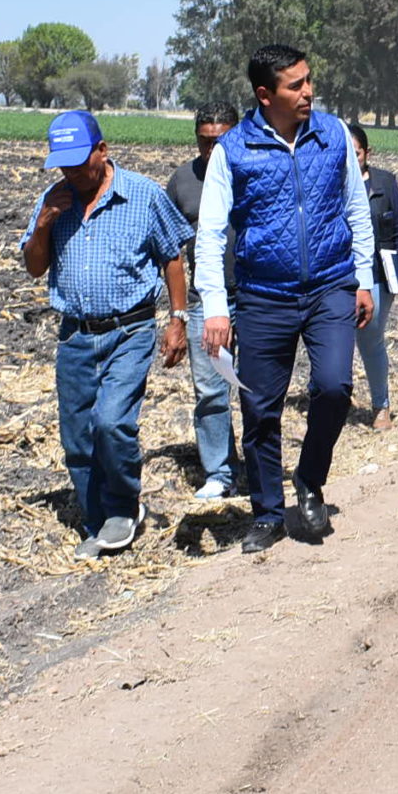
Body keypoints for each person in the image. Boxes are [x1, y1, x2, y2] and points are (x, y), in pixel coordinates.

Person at [195, 45, 376, 553]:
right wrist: (215, 307)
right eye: (295, 86)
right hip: (263, 297)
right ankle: (269, 514)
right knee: (259, 409)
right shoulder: (233, 150)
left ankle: (310, 479)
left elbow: (356, 210)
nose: (308, 92)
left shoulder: (333, 133)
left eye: (308, 81)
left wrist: (361, 277)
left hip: (330, 286)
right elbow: (210, 234)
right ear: (264, 94)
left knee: (335, 386)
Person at [20, 109, 191, 556]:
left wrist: (178, 319)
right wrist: (43, 225)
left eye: (81, 160)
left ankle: (122, 506)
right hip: (75, 334)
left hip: (129, 330)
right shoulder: (53, 200)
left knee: (111, 421)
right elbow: (35, 267)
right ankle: (97, 519)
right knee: (77, 434)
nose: (72, 171)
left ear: (103, 150)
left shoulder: (142, 195)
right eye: (64, 163)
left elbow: (172, 256)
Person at [165, 103, 242, 499]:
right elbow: (169, 249)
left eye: (220, 140)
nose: (211, 149)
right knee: (210, 389)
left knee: (257, 386)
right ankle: (220, 472)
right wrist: (176, 314)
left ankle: (260, 465)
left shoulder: (250, 170)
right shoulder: (182, 180)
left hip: (254, 296)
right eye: (204, 140)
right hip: (203, 301)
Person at [348, 120, 398, 431]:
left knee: (370, 340)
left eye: (358, 155)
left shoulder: (385, 183)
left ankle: (381, 406)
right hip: (338, 276)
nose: (353, 162)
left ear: (368, 153)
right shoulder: (329, 186)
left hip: (378, 275)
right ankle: (333, 405)